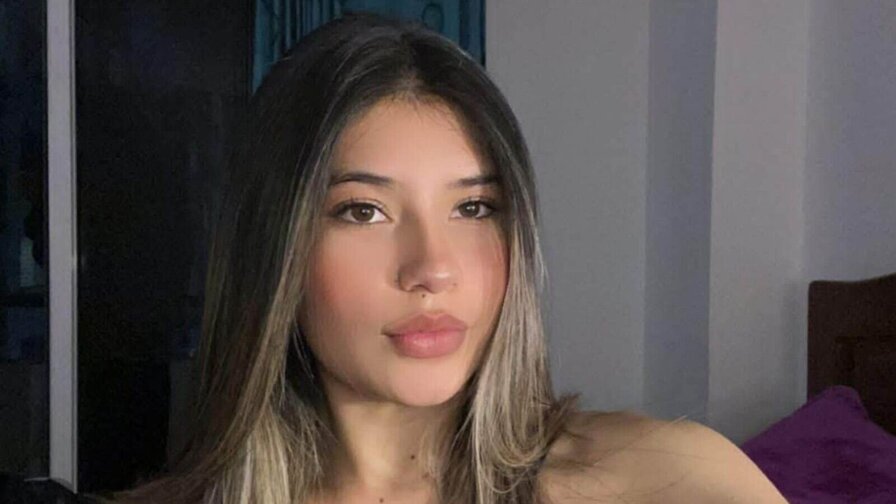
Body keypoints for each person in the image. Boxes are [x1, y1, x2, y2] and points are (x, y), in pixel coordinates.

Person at [97, 12, 787, 504]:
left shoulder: (662, 477)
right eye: (363, 211)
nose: (432, 269)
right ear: (275, 251)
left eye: (474, 208)